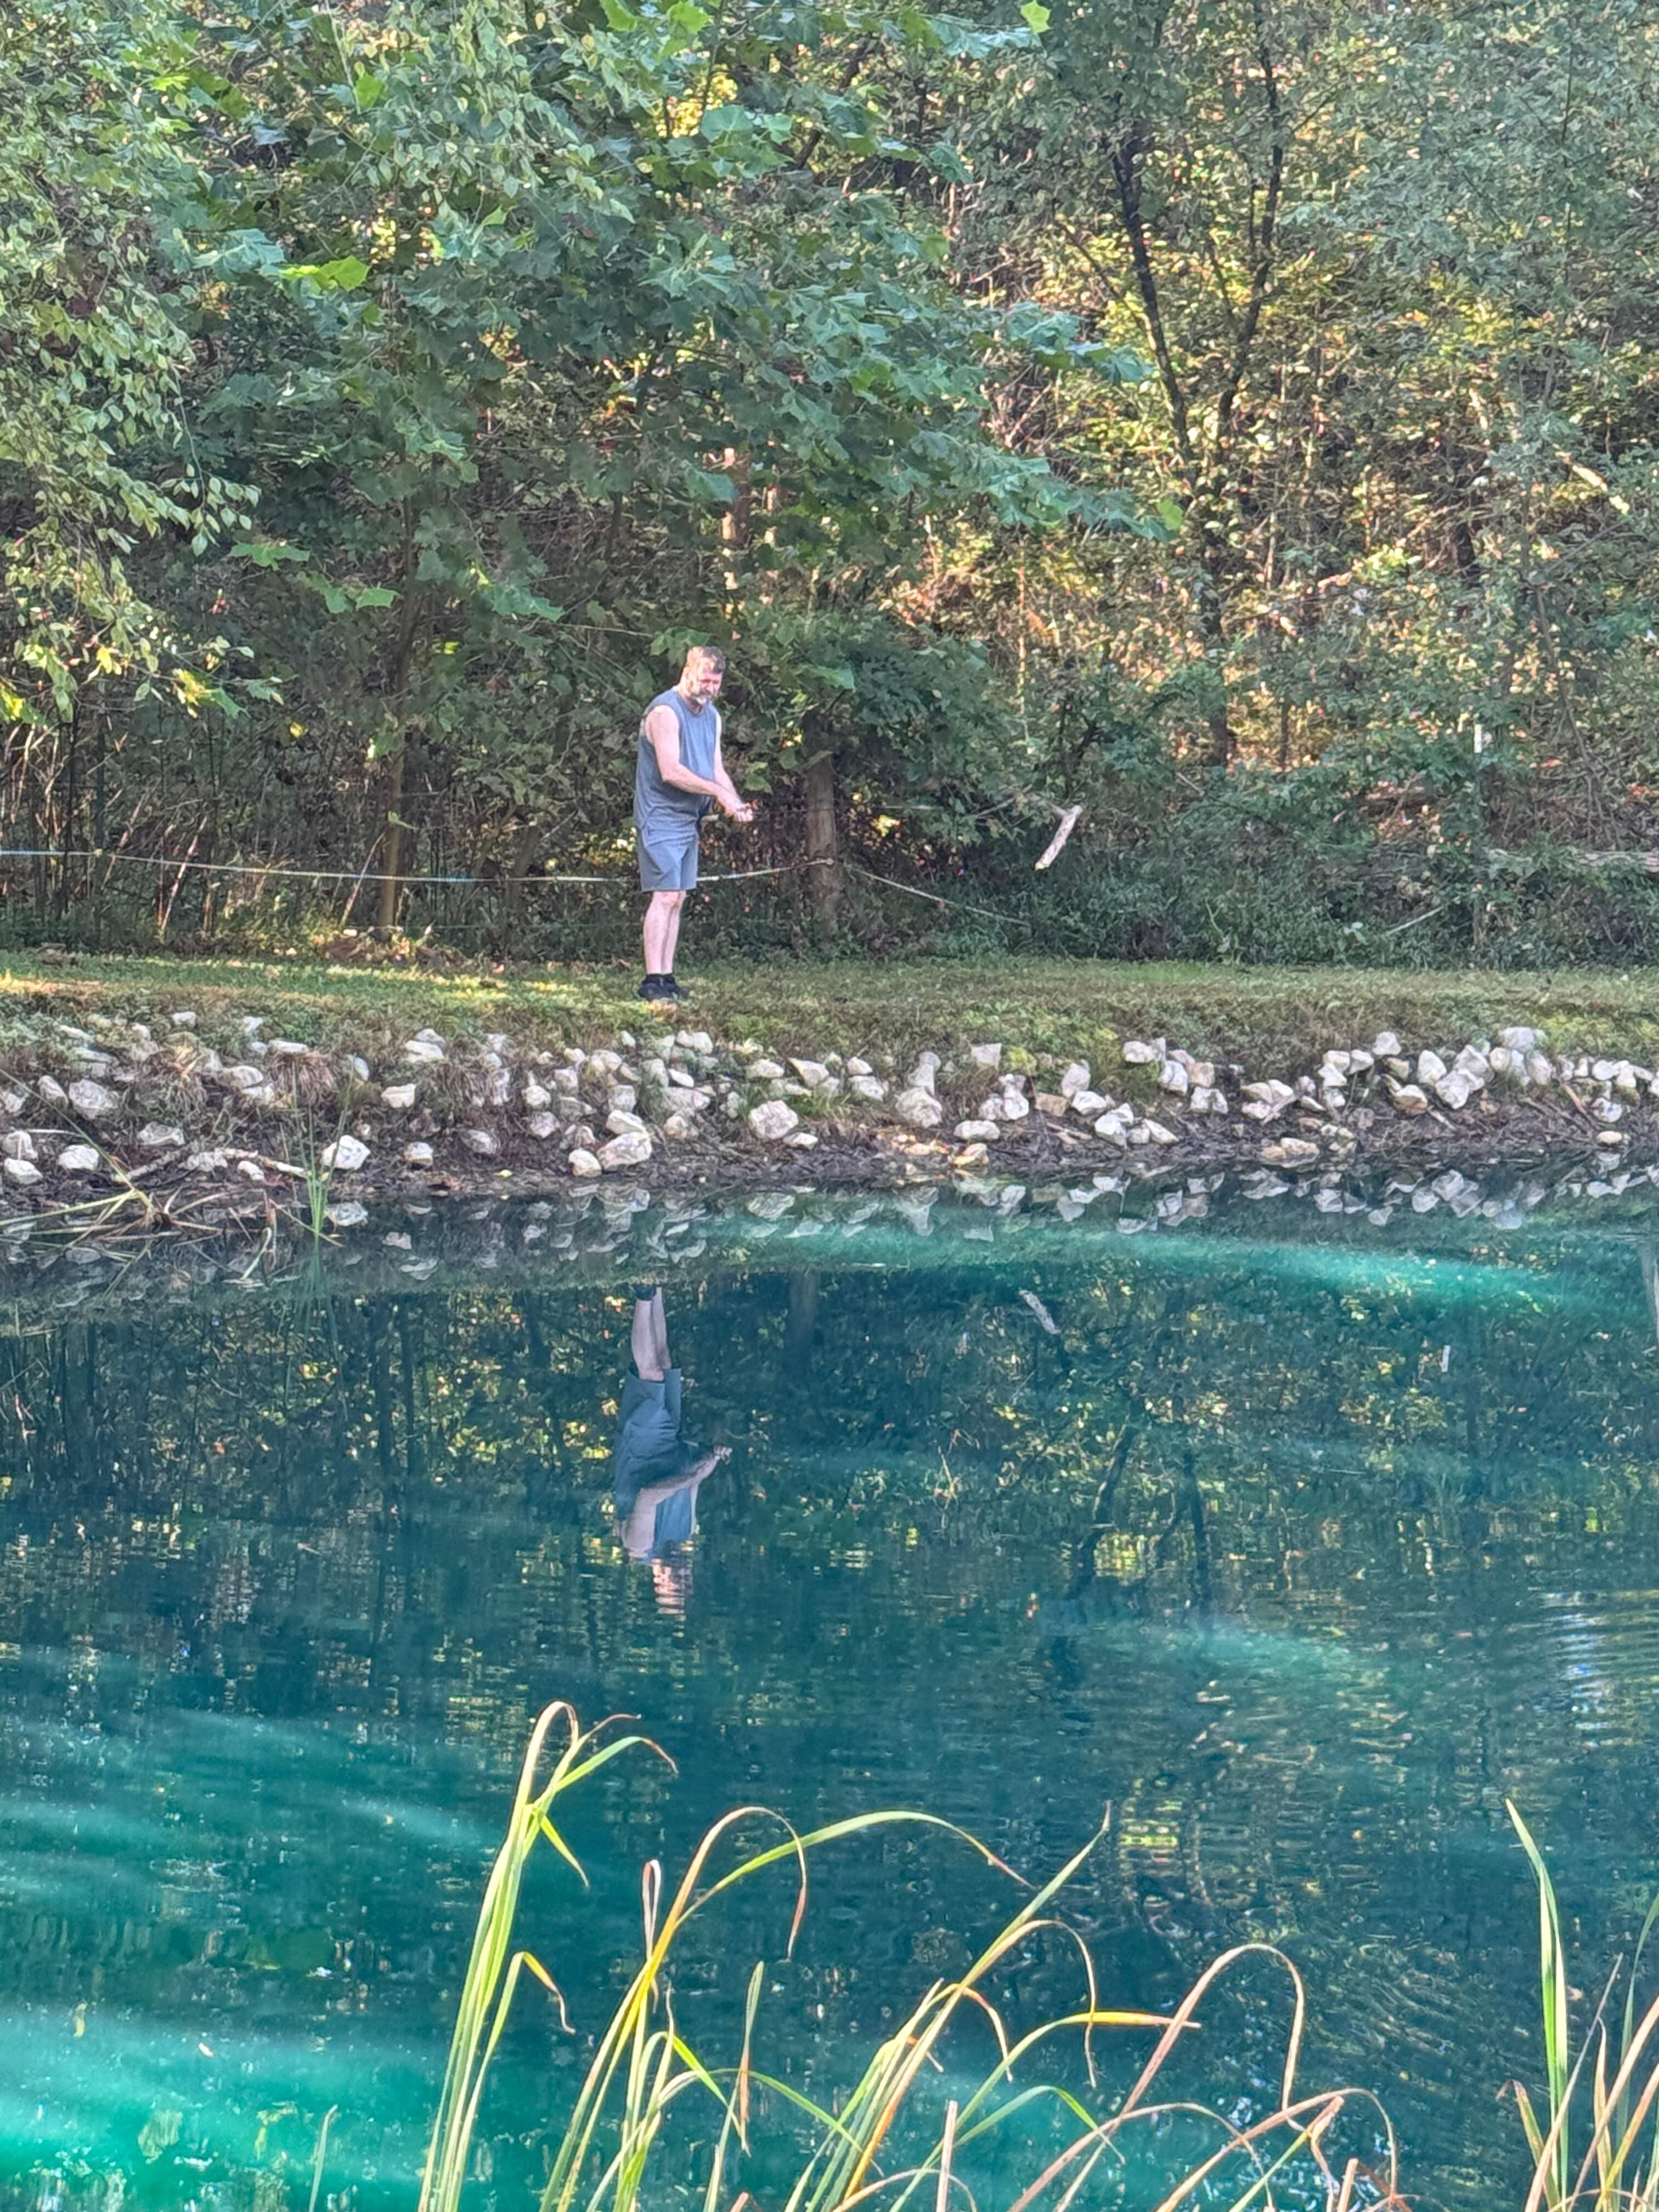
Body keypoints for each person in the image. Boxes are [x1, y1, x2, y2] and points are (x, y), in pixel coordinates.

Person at [634, 645, 754, 1002]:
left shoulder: (713, 716)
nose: (710, 688)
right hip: (660, 816)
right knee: (665, 894)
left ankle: (667, 977)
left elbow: (716, 769)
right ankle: (651, 980)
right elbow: (671, 771)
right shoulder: (664, 712)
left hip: (690, 820)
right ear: (687, 673)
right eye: (705, 680)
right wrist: (720, 793)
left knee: (680, 897)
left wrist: (735, 802)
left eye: (716, 682)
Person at [613, 1284, 728, 1613]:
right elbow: (692, 1470)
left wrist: (694, 1478)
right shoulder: (687, 1531)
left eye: (677, 1584)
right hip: (672, 1440)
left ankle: (642, 1292)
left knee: (649, 1373)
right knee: (663, 1361)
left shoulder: (639, 1547)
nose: (684, 1575)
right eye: (688, 1583)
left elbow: (649, 1496)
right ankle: (660, 1282)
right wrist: (714, 1456)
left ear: (660, 1582)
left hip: (642, 1446)